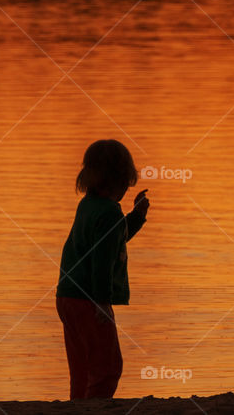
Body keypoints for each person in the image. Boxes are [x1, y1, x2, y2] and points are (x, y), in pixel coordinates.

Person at [55, 139, 150, 399]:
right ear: (120, 179)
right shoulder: (109, 213)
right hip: (89, 298)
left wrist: (137, 217)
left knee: (82, 366)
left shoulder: (88, 205)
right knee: (107, 367)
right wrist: (102, 302)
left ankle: (78, 405)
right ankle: (94, 408)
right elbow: (102, 260)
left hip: (67, 296)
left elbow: (110, 240)